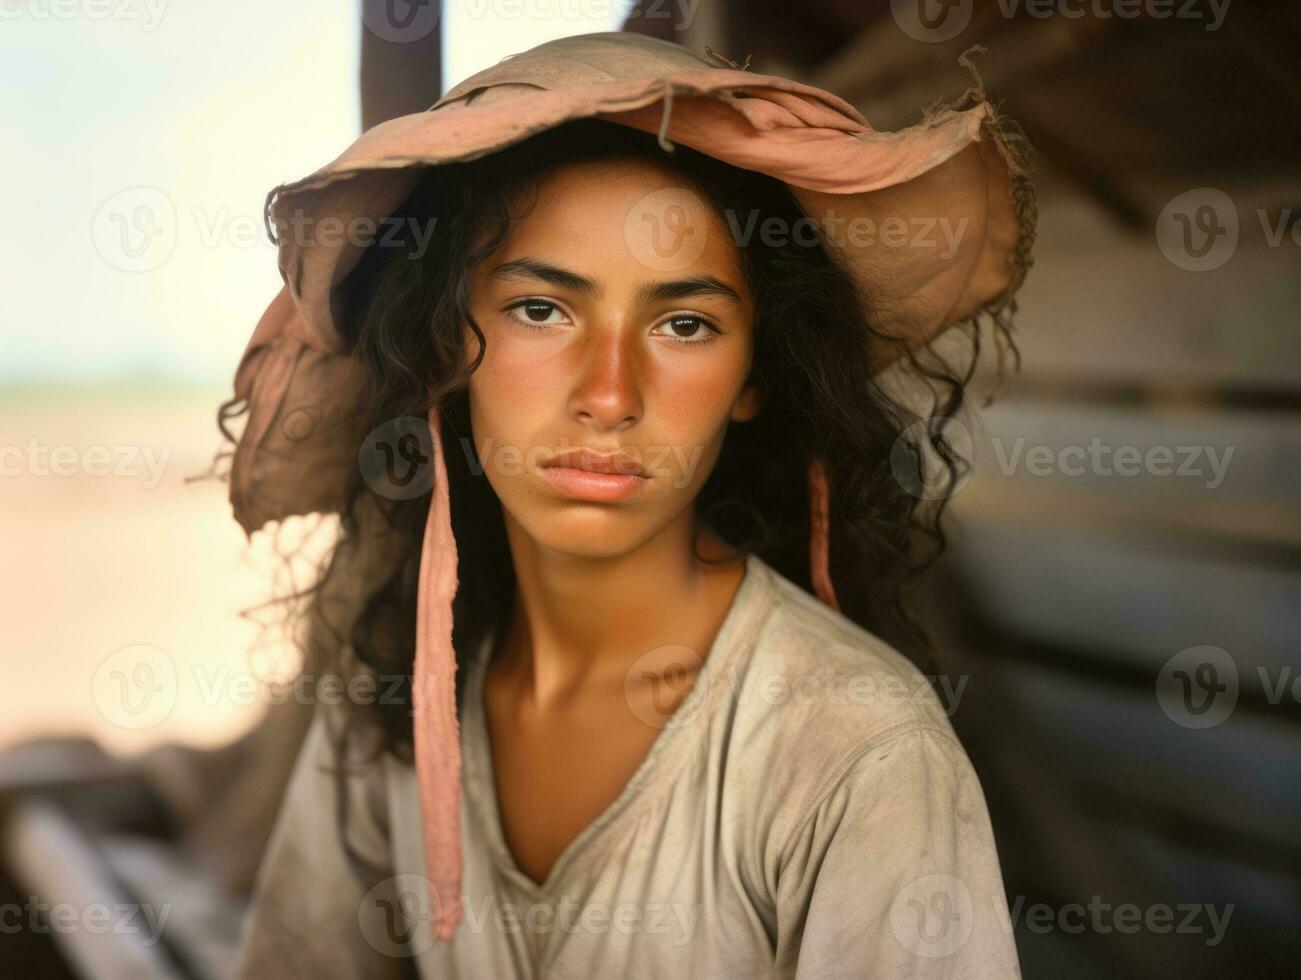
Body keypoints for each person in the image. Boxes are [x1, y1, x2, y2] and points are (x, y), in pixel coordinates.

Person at [226, 31, 1034, 979]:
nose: (609, 394)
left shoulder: (859, 753)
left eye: (684, 324)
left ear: (752, 375)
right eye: (542, 309)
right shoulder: (389, 702)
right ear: (445, 345)